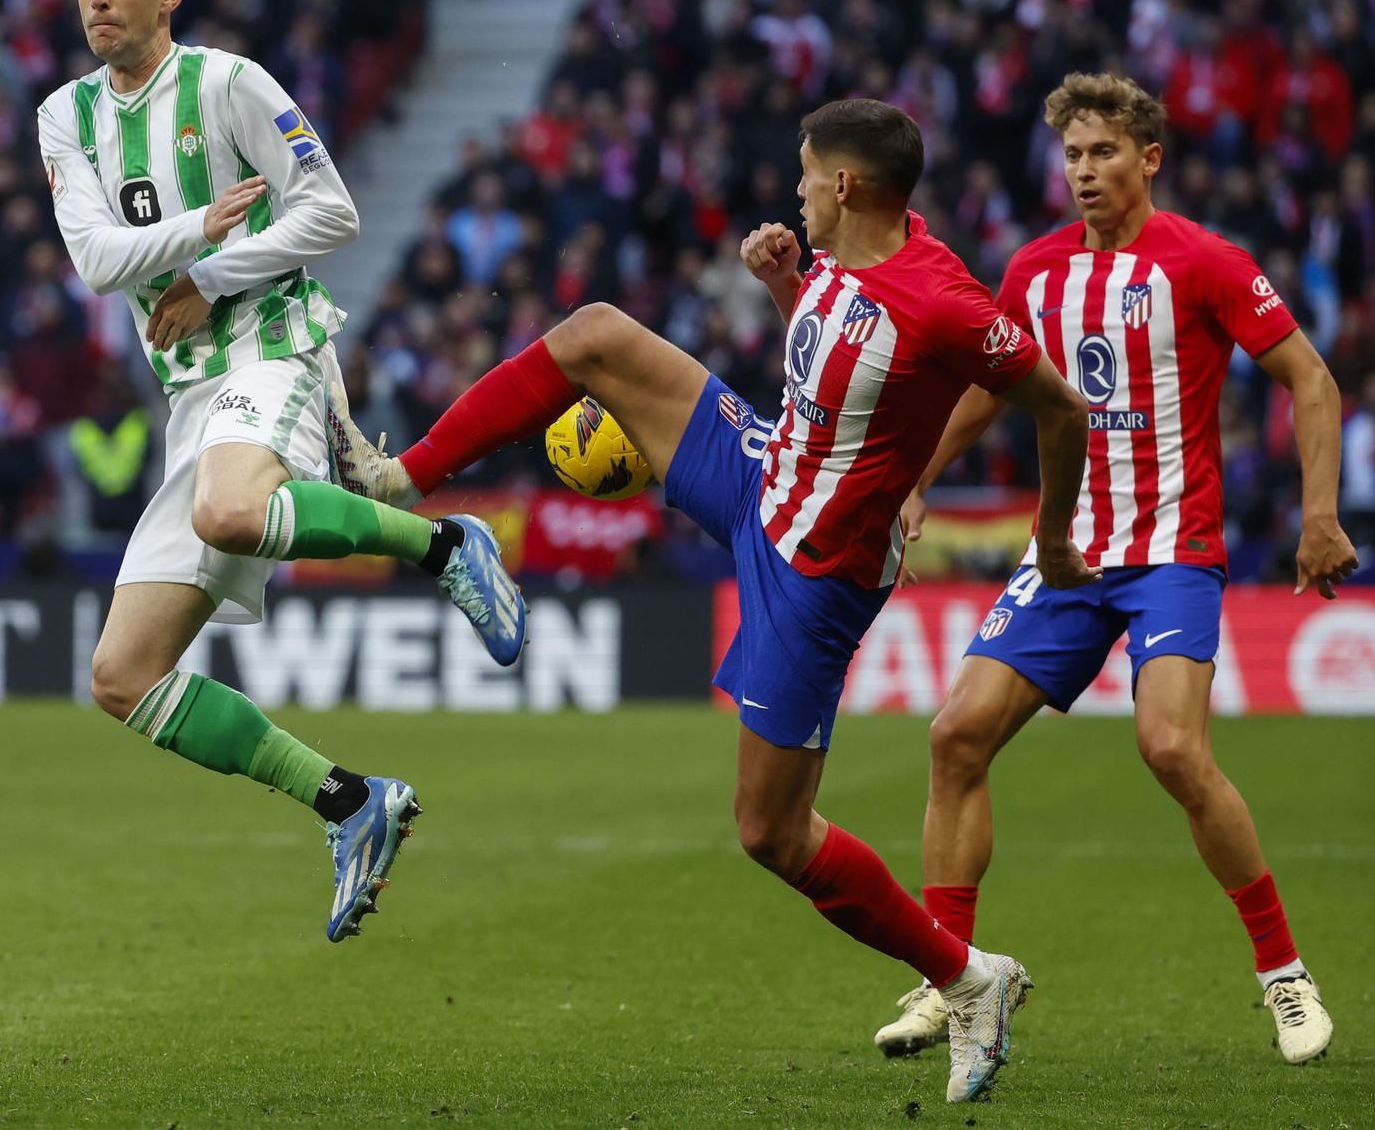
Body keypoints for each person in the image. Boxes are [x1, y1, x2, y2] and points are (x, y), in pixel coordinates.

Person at [335, 99, 1094, 1103]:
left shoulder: (943, 300)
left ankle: (967, 978)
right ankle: (403, 479)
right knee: (593, 334)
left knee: (769, 833)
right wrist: (787, 287)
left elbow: (1058, 406)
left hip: (813, 573)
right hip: (760, 475)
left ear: (842, 186)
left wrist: (1047, 535)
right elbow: (840, 378)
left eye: (801, 172)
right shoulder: (837, 263)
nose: (789, 189)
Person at [33, 0, 526, 944]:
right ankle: (352, 803)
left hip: (277, 347)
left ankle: (443, 544)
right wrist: (184, 236)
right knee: (121, 676)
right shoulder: (62, 116)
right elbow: (92, 259)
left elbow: (331, 209)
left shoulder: (228, 85)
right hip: (193, 397)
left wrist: (211, 272)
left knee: (227, 509)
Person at [865, 73, 1354, 1067]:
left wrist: (1316, 515)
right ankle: (950, 975)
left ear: (1147, 159)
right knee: (953, 733)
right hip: (1067, 546)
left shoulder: (1204, 261)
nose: (1083, 172)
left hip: (1171, 546)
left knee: (1170, 748)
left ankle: (1281, 974)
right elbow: (987, 390)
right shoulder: (1035, 272)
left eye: (1101, 153)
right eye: (1072, 155)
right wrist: (915, 480)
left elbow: (1310, 377)